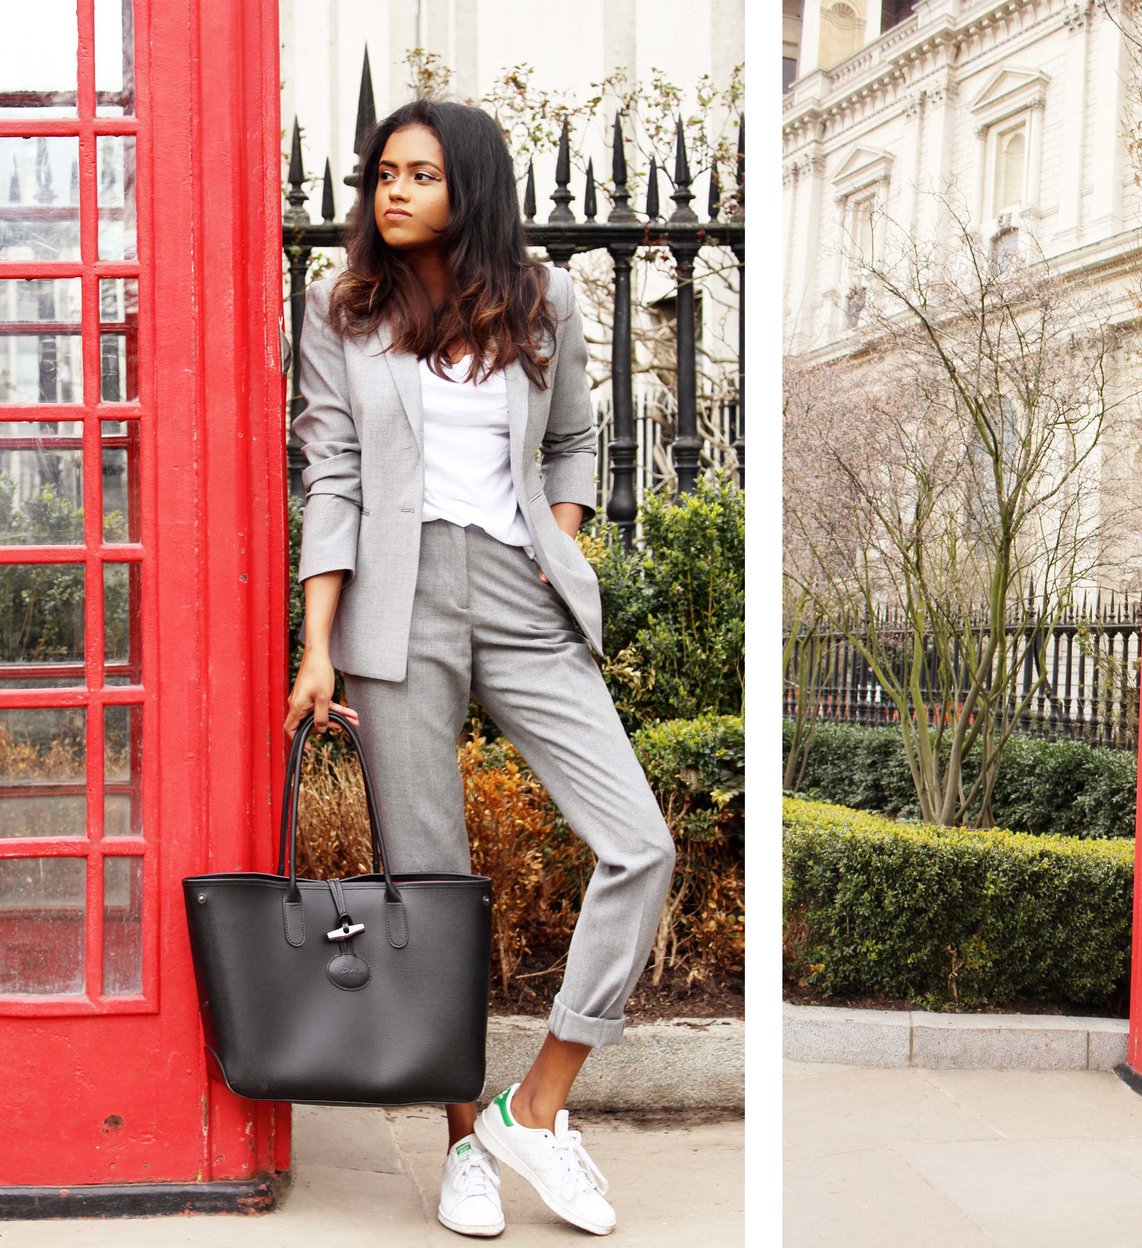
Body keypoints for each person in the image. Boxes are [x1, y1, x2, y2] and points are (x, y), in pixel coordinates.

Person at [283, 98, 677, 1239]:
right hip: (394, 609)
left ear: (473, 187)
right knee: (435, 887)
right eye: (381, 175)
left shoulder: (545, 300)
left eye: (418, 174)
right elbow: (335, 479)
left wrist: (555, 545)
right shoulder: (340, 311)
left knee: (636, 842)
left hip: (519, 590)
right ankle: (463, 1146)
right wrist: (318, 647)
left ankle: (537, 1107)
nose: (390, 192)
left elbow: (572, 438)